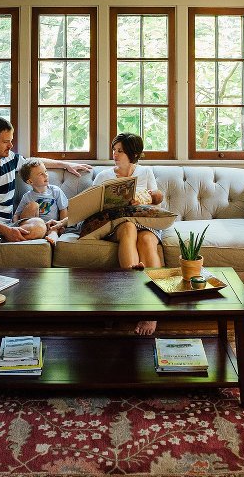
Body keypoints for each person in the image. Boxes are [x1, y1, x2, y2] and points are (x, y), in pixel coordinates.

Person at [0, 116, 91, 280]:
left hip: (6, 223)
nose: (11, 146)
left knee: (39, 226)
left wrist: (66, 165)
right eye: (6, 141)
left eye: (11, 141)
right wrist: (7, 231)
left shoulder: (9, 158)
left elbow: (33, 163)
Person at [93, 132, 164, 335]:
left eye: (120, 151)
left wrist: (150, 197)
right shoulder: (103, 176)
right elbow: (90, 206)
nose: (115, 155)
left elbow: (157, 198)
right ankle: (135, 292)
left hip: (145, 221)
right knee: (128, 227)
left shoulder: (145, 172)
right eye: (114, 150)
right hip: (117, 223)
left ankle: (152, 309)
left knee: (148, 239)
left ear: (132, 154)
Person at [13, 159, 69, 246]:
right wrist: (15, 227)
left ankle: (53, 236)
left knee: (53, 230)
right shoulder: (27, 196)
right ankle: (31, 233)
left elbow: (63, 209)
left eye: (45, 171)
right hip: (34, 226)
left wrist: (62, 226)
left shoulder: (55, 191)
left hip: (51, 225)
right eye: (41, 174)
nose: (46, 175)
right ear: (30, 181)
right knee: (33, 205)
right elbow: (16, 215)